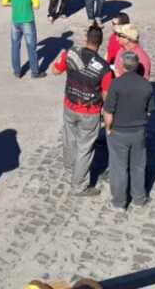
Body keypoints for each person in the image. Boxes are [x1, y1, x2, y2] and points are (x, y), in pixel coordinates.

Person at [51, 23, 112, 197]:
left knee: (69, 137)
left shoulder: (71, 53)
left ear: (86, 39)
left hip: (70, 105)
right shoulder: (104, 68)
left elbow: (55, 71)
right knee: (85, 147)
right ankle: (78, 185)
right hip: (89, 111)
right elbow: (106, 95)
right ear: (100, 43)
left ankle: (70, 167)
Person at [103, 50, 154, 211]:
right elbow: (149, 112)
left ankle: (119, 202)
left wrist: (108, 128)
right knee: (138, 166)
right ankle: (139, 198)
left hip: (118, 132)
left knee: (119, 168)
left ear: (122, 65)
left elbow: (108, 111)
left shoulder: (116, 84)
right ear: (136, 66)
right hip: (138, 132)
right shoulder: (146, 85)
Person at [1, 0, 42, 78]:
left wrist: (14, 4)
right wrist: (28, 4)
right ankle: (35, 72)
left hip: (15, 20)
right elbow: (36, 6)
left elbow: (4, 2)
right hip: (27, 20)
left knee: (15, 46)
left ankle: (17, 72)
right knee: (31, 47)